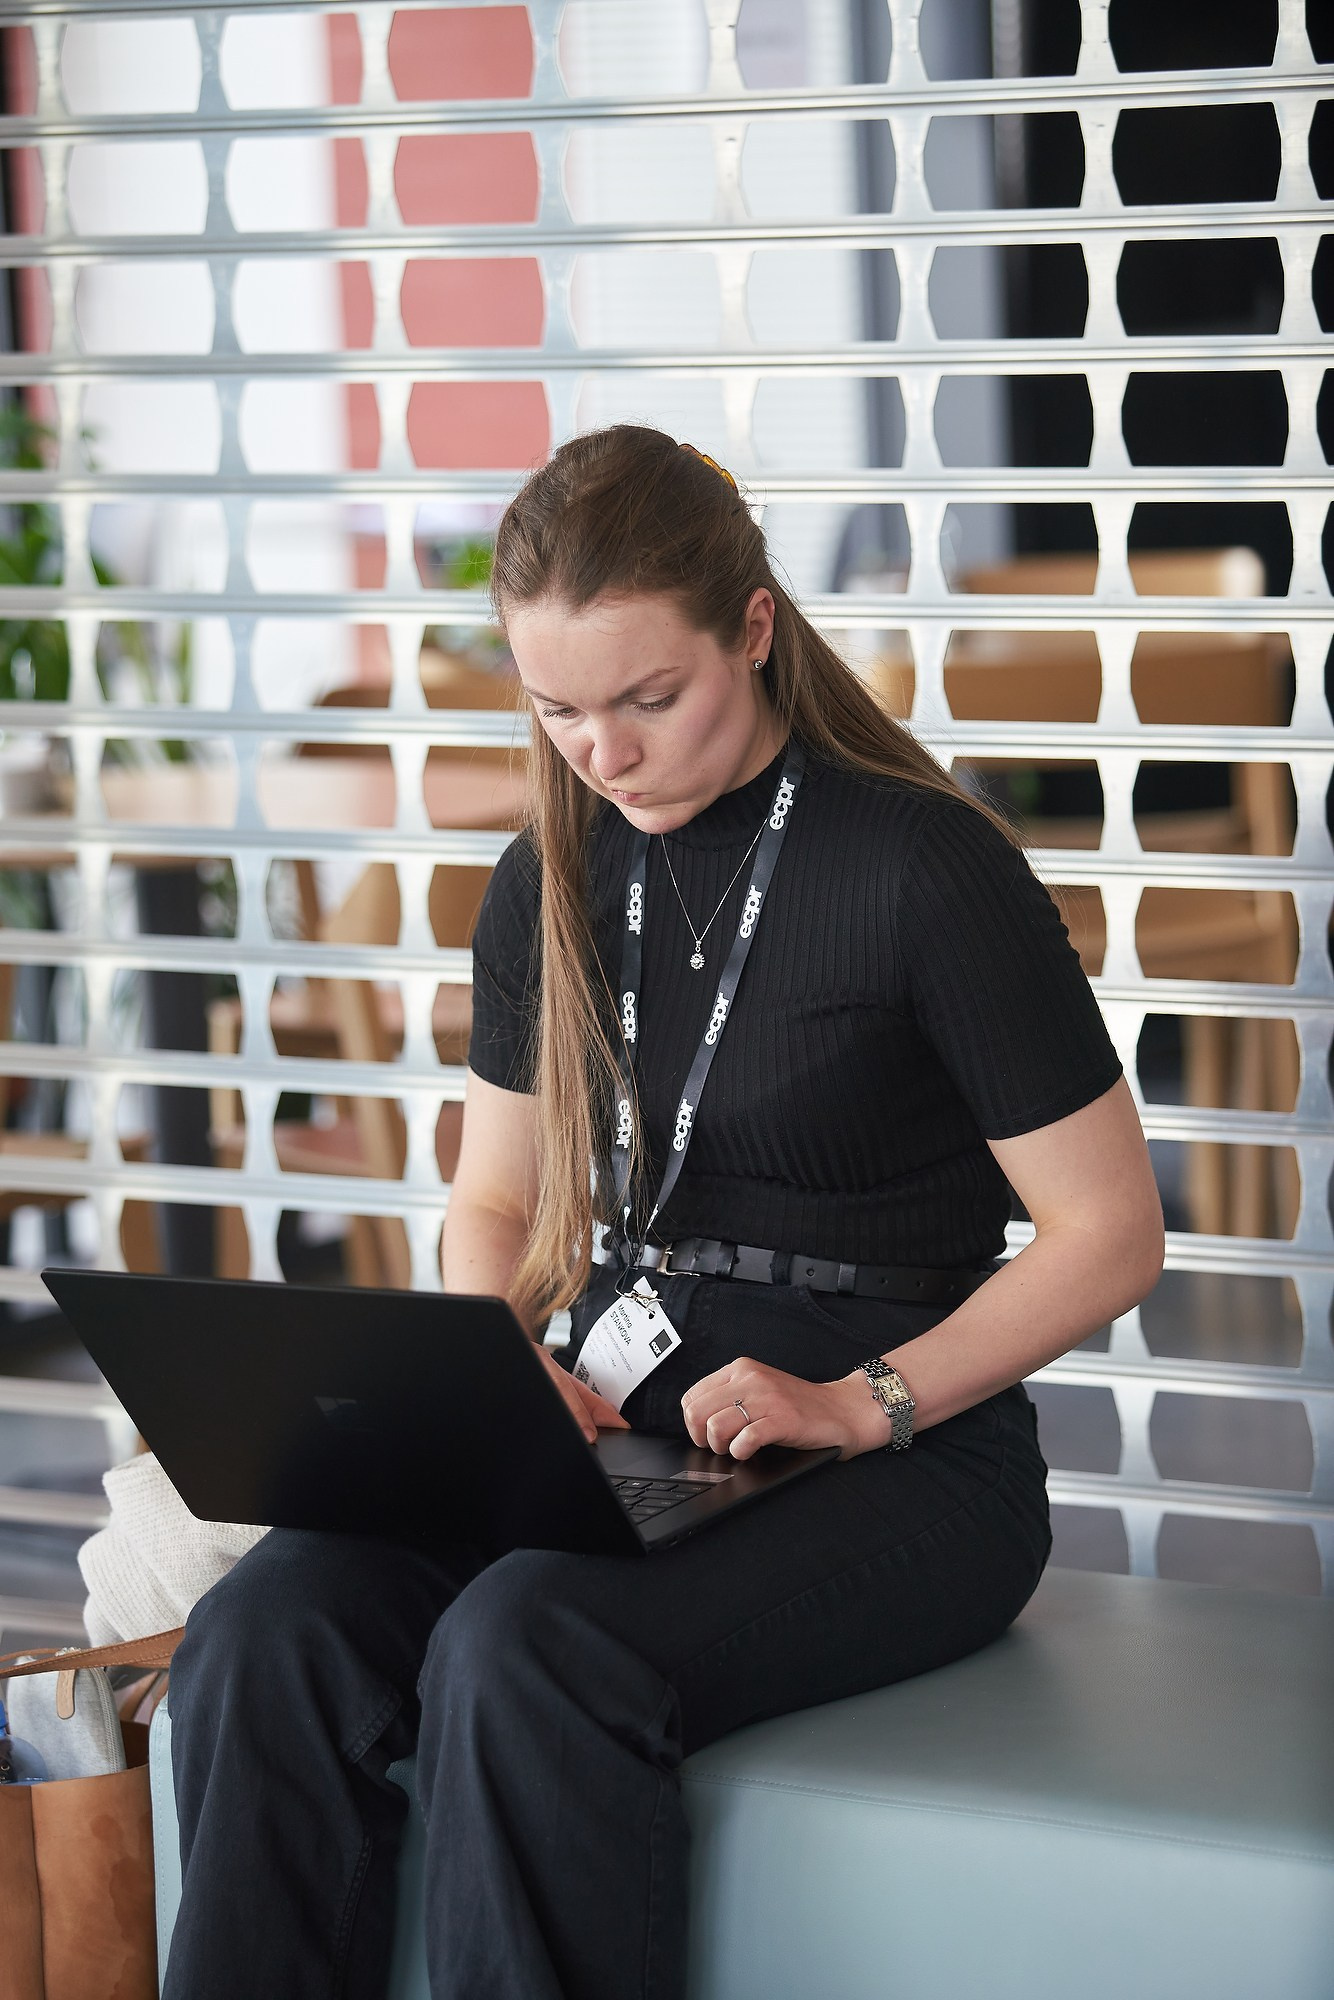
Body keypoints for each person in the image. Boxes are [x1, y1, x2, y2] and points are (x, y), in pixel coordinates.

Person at [164, 425, 1164, 2000]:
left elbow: (1112, 1233)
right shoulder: (546, 879)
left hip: (901, 1450)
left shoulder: (925, 869)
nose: (602, 756)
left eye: (647, 700)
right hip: (628, 1419)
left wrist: (854, 1403)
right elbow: (493, 1201)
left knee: (528, 1645)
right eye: (558, 709)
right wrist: (500, 1378)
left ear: (752, 629)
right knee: (260, 1634)